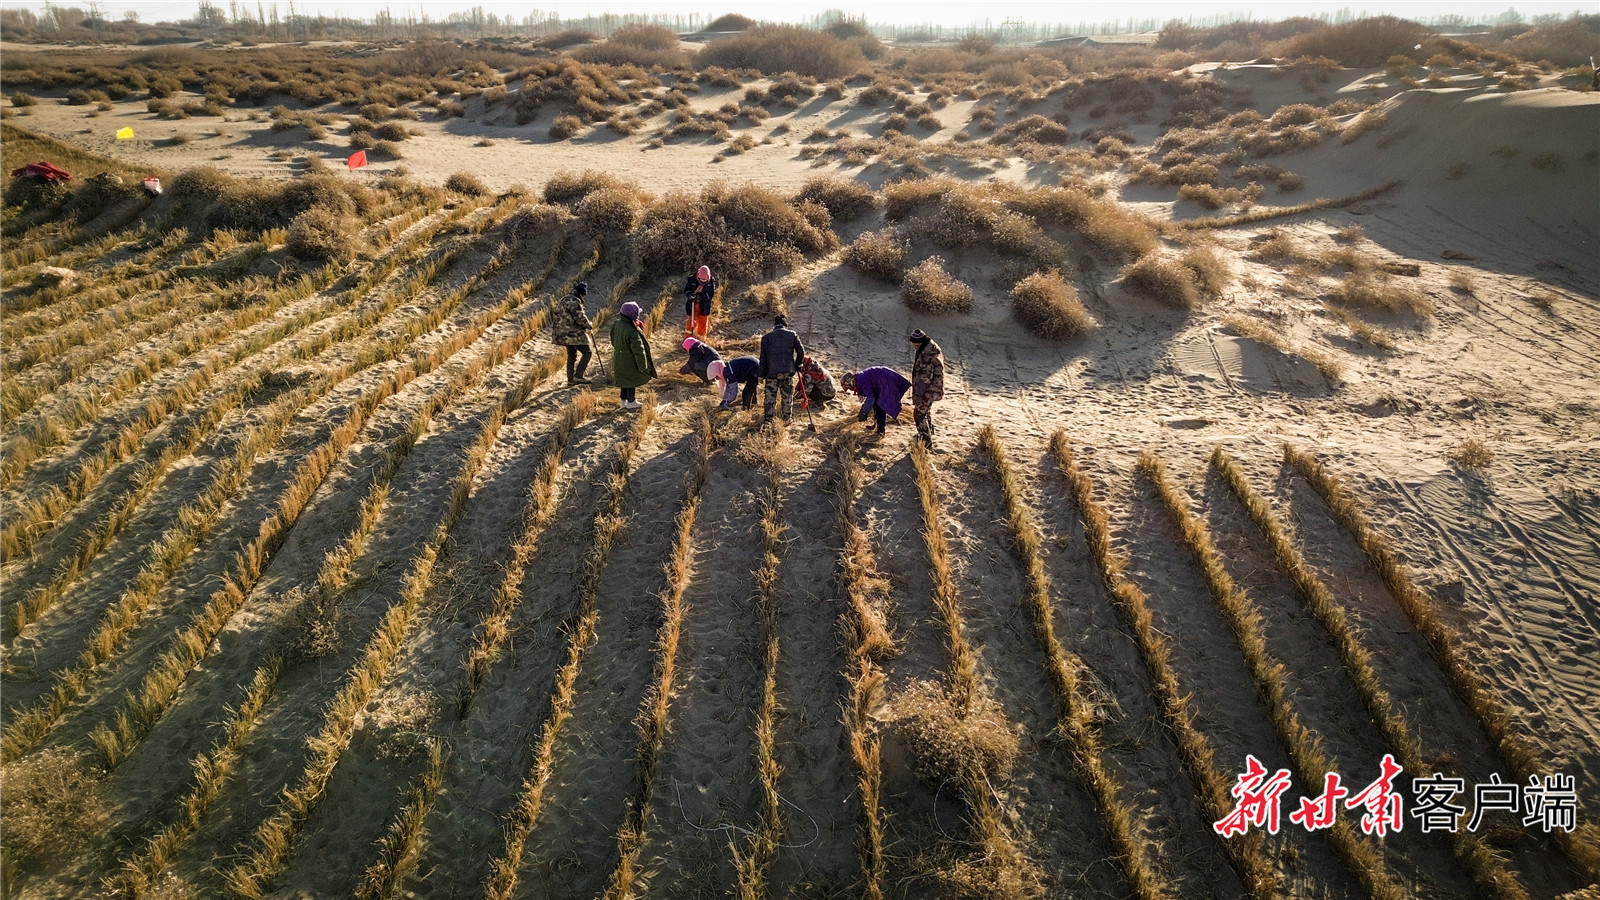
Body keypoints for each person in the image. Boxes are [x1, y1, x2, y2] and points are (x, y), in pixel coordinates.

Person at [609, 300, 655, 410]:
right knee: (631, 380)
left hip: (619, 357)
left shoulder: (616, 324)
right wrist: (643, 366)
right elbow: (639, 351)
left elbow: (612, 339)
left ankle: (623, 401)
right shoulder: (632, 331)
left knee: (624, 380)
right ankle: (631, 401)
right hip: (630, 360)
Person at [758, 314, 804, 423]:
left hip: (771, 373)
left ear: (775, 326)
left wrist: (760, 375)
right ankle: (786, 419)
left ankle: (768, 420)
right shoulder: (792, 335)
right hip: (788, 372)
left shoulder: (766, 338)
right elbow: (801, 351)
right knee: (787, 397)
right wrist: (798, 365)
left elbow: (762, 358)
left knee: (770, 398)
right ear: (785, 325)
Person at [841, 366, 911, 435]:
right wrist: (863, 410)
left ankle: (880, 431)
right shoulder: (859, 379)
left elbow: (871, 398)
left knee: (881, 406)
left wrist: (863, 413)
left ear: (851, 383)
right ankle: (876, 425)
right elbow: (871, 398)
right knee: (876, 404)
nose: (850, 389)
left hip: (887, 382)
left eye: (849, 388)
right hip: (882, 381)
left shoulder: (862, 382)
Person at [552, 281, 594, 386]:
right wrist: (589, 325)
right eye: (584, 295)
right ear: (581, 293)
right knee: (587, 352)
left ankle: (570, 380)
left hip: (561, 333)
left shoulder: (563, 299)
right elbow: (580, 318)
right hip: (573, 333)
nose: (584, 297)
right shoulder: (575, 301)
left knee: (571, 355)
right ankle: (578, 376)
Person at [909, 329, 945, 448]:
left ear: (919, 343)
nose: (914, 347)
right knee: (926, 410)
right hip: (934, 387)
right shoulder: (929, 347)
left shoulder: (927, 355)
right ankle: (930, 432)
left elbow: (925, 377)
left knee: (918, 413)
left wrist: (920, 395)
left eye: (915, 344)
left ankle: (926, 441)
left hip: (930, 389)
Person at [684, 265, 716, 338]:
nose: (702, 281)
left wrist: (701, 297)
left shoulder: (711, 282)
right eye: (701, 280)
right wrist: (690, 296)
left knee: (702, 324)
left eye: (705, 280)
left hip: (704, 306)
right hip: (692, 305)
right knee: (690, 323)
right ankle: (688, 339)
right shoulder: (691, 279)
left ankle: (701, 339)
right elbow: (687, 290)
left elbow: (710, 294)